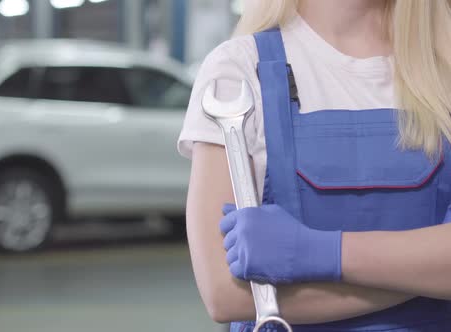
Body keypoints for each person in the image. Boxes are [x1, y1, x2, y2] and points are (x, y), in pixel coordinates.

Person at [178, 0, 451, 331]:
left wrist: (323, 253)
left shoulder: (444, 67)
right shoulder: (238, 68)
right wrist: (425, 272)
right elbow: (225, 294)